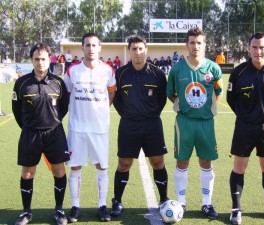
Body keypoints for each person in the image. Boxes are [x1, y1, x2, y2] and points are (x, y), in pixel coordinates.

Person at [227, 32, 264, 225]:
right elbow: (231, 99)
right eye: (254, 47)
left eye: (262, 47)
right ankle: (236, 209)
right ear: (249, 48)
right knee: (239, 166)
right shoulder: (239, 73)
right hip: (244, 126)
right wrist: (246, 115)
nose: (258, 51)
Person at [166, 27, 223, 219]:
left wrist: (204, 109)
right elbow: (170, 94)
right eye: (192, 42)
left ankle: (207, 204)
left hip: (206, 123)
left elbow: (218, 93)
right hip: (184, 122)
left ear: (204, 44)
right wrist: (184, 107)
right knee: (182, 161)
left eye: (199, 43)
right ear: (186, 44)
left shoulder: (214, 68)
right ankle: (181, 203)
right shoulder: (177, 68)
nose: (196, 46)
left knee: (205, 162)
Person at [12, 43, 70, 225]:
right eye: (36, 59)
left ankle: (59, 210)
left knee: (59, 171)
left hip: (54, 133)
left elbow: (63, 108)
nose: (40, 62)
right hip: (30, 134)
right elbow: (16, 110)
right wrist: (30, 126)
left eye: (43, 59)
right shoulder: (21, 83)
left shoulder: (58, 82)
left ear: (49, 59)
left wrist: (51, 122)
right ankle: (26, 212)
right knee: (28, 174)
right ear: (32, 60)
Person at [111, 35, 169, 217]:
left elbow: (162, 100)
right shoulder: (120, 74)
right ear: (129, 51)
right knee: (124, 164)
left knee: (158, 162)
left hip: (152, 124)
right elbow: (117, 100)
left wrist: (151, 114)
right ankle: (117, 201)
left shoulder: (158, 74)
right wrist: (127, 115)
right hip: (129, 125)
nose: (137, 52)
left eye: (140, 49)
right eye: (134, 49)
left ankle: (164, 199)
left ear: (146, 50)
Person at [64, 32, 116, 223]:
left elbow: (112, 92)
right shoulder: (72, 71)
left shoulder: (108, 70)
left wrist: (101, 109)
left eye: (94, 45)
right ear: (82, 48)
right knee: (75, 167)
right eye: (87, 45)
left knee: (102, 167)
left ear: (100, 48)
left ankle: (102, 205)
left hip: (100, 128)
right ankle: (75, 206)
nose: (91, 49)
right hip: (77, 127)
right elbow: (66, 93)